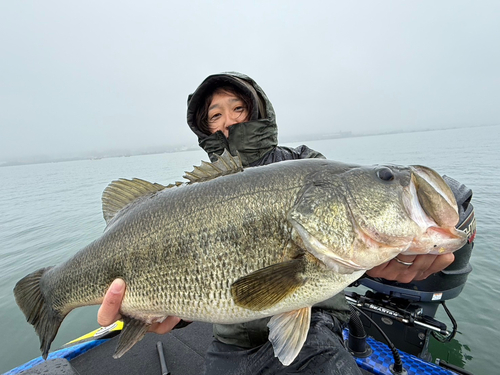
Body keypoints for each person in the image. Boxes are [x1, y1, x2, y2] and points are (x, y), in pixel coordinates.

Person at [98, 72, 455, 374]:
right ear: (204, 128)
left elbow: (352, 237)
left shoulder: (308, 166)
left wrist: (455, 226)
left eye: (238, 108)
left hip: (315, 324)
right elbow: (208, 282)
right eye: (215, 115)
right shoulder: (196, 193)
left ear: (258, 113)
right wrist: (171, 311)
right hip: (231, 337)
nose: (228, 121)